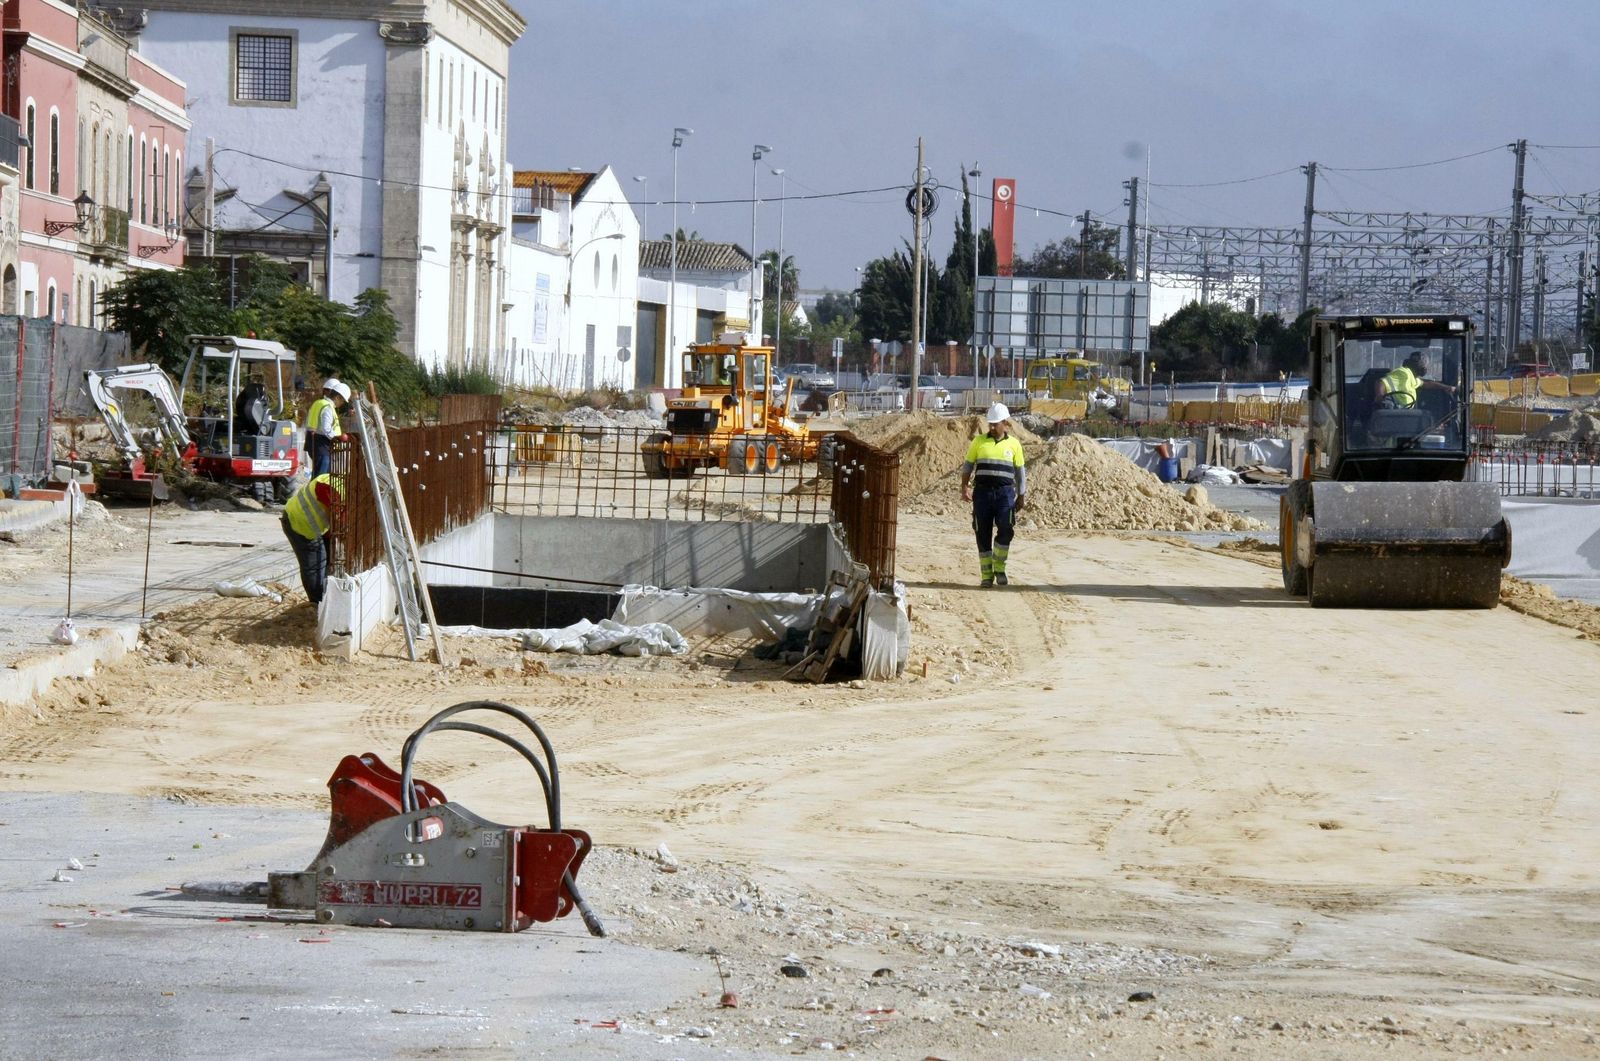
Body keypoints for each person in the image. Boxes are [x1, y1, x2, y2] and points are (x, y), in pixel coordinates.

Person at [959, 403, 1027, 587]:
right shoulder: (979, 441)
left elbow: (1020, 472)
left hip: (1005, 495)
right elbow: (968, 465)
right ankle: (987, 575)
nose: (991, 427)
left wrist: (1021, 495)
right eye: (990, 423)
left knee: (1006, 530)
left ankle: (999, 566)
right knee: (982, 532)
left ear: (1006, 423)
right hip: (982, 494)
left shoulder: (1014, 445)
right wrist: (964, 486)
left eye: (995, 424)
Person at [281, 472, 343, 606]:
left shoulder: (336, 481)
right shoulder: (332, 489)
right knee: (315, 566)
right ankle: (316, 604)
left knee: (327, 562)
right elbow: (340, 523)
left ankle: (325, 598)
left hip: (316, 525)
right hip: (299, 524)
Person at [305, 378, 351, 476]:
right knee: (321, 476)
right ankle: (315, 491)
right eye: (342, 401)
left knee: (321, 475)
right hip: (322, 444)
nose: (342, 404)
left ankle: (316, 490)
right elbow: (326, 429)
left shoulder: (321, 404)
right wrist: (337, 438)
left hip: (317, 442)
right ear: (338, 397)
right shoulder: (327, 408)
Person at [1377, 352, 1455, 409]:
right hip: (1392, 410)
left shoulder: (1412, 378)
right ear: (1421, 368)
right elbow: (1381, 382)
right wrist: (1380, 397)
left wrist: (1447, 387)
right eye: (1424, 366)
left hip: (1404, 412)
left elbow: (1426, 384)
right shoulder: (1403, 372)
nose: (1425, 369)